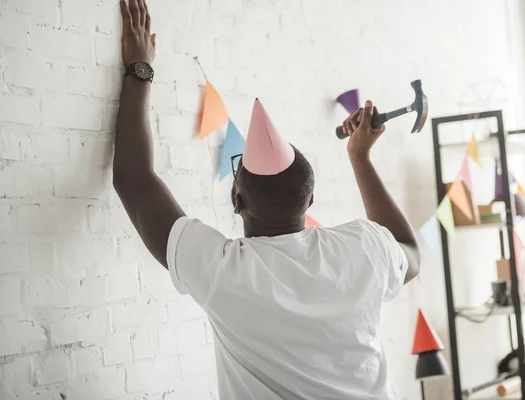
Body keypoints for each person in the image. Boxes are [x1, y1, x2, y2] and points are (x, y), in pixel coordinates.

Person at [113, 0, 421, 399]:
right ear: (309, 200)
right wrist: (359, 157)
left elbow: (134, 180)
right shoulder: (363, 248)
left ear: (236, 200)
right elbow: (411, 250)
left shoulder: (222, 272)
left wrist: (140, 69)